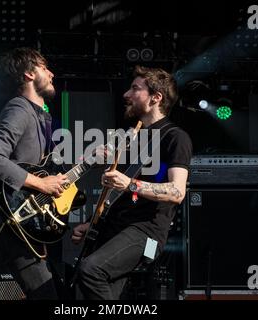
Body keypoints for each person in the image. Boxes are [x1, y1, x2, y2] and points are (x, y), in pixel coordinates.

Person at [71, 65, 192, 300]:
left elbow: (177, 192)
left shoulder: (175, 137)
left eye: (135, 89)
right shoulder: (132, 137)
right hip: (117, 229)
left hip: (147, 233)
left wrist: (129, 183)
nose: (126, 94)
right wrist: (94, 223)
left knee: (91, 271)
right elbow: (120, 196)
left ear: (156, 98)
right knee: (86, 287)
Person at [0, 47, 68, 300]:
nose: (51, 73)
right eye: (44, 67)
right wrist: (41, 183)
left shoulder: (41, 117)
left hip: (22, 220)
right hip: (6, 221)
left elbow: (36, 168)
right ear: (28, 74)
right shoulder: (19, 108)